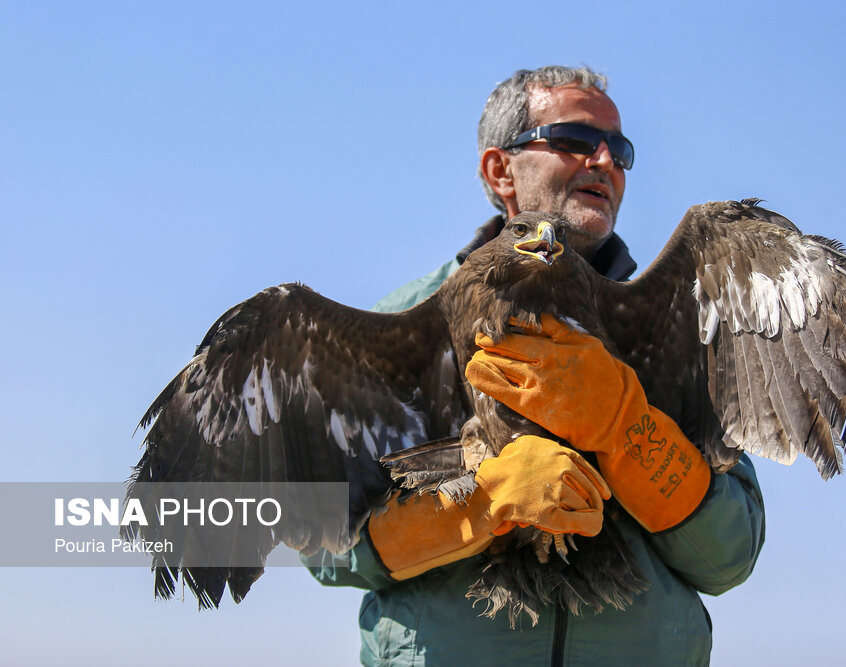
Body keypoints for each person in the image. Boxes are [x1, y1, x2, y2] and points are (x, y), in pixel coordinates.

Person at [303, 66, 765, 666]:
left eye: (620, 150)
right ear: (501, 171)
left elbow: (731, 554)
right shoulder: (400, 325)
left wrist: (628, 429)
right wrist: (478, 502)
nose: (604, 161)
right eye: (574, 139)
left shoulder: (686, 327)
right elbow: (319, 541)